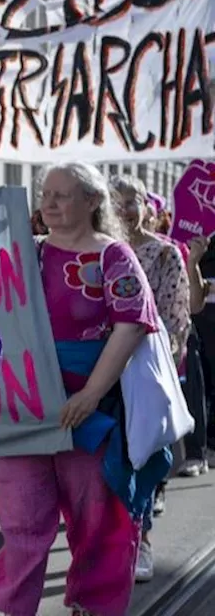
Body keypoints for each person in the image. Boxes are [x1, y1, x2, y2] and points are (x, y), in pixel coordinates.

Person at [0, 162, 160, 616]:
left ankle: (92, 606)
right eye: (46, 194)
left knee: (96, 520)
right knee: (21, 522)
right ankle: (14, 608)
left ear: (92, 201)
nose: (50, 203)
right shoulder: (24, 253)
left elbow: (131, 326)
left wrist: (91, 395)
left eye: (62, 194)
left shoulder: (113, 254)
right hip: (22, 411)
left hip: (87, 414)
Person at [110, 174, 190, 583]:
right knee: (109, 465)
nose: (123, 209)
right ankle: (108, 544)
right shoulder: (100, 251)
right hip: (101, 373)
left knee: (142, 460)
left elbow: (176, 319)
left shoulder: (164, 255)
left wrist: (163, 366)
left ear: (147, 206)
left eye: (131, 200)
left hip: (145, 371)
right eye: (114, 201)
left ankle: (140, 540)